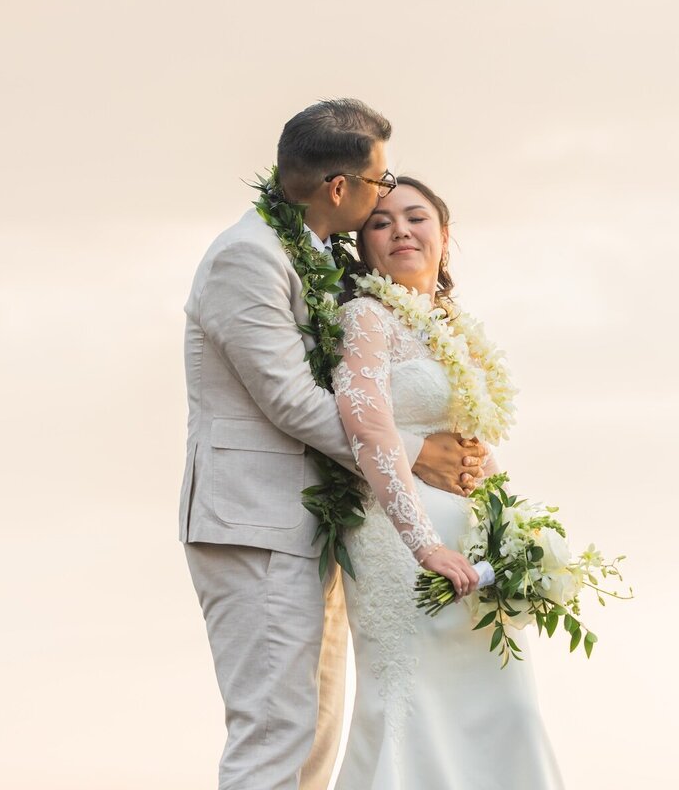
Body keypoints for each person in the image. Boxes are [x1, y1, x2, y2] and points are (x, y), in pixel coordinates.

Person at [179, 100, 487, 790]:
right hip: (255, 525)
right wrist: (411, 453)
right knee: (274, 731)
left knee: (313, 732)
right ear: (339, 189)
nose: (389, 194)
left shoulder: (307, 254)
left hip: (312, 525)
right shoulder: (247, 259)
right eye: (381, 183)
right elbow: (290, 401)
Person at [332, 177, 565, 788]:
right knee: (416, 707)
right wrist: (424, 542)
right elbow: (367, 427)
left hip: (477, 552)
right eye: (381, 223)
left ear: (444, 233)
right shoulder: (366, 317)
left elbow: (476, 445)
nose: (401, 230)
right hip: (401, 542)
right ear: (363, 244)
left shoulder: (455, 328)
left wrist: (515, 532)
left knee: (504, 705)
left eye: (416, 217)